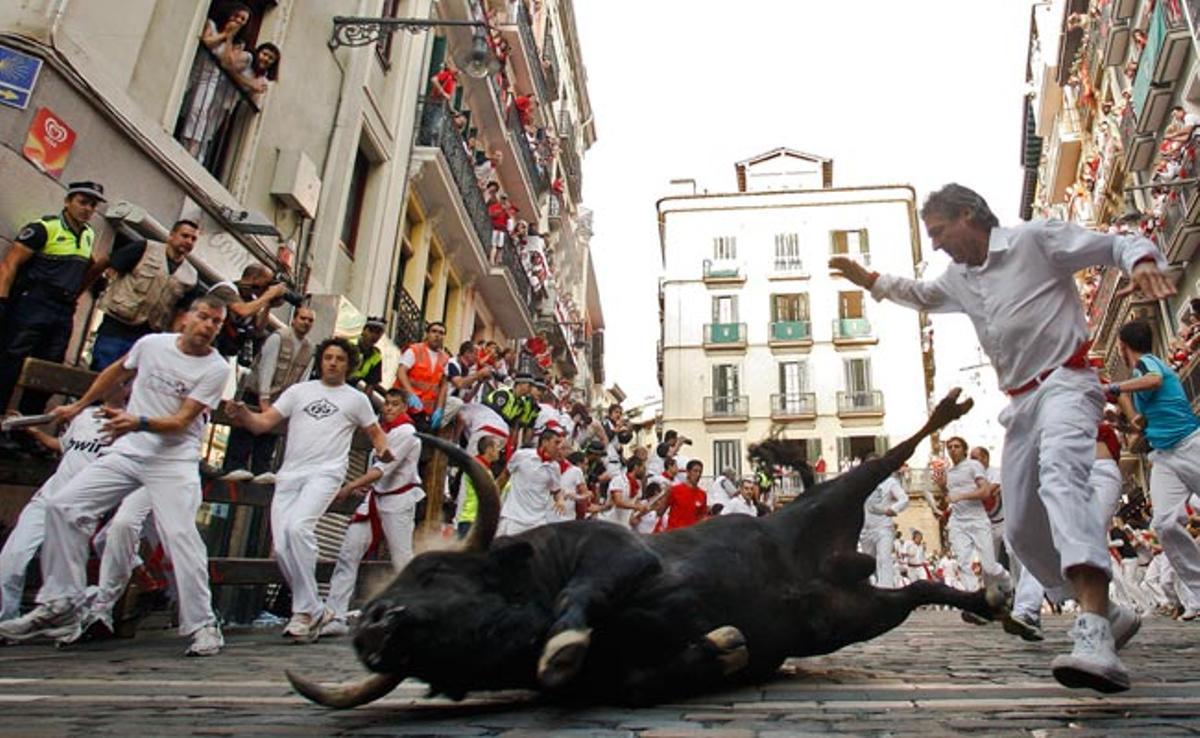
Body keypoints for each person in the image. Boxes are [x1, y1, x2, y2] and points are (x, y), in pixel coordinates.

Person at [831, 182, 1174, 691]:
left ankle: (1095, 632)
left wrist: (1141, 258)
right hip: (1020, 404)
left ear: (969, 214)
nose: (939, 245)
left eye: (941, 232)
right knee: (1023, 531)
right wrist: (871, 280)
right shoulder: (958, 278)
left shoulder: (1035, 240)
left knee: (1060, 477)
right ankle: (1108, 610)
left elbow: (1111, 243)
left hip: (1067, 382)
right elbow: (921, 295)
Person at [0, 295, 231, 656]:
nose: (207, 326)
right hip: (129, 450)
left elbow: (182, 421)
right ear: (187, 318)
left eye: (216, 323)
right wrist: (79, 405)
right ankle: (62, 602)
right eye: (203, 317)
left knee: (180, 536)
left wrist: (136, 421)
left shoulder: (215, 369)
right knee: (63, 507)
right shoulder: (152, 345)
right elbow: (118, 371)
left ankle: (203, 624)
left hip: (172, 459)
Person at [223, 337, 393, 643]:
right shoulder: (299, 392)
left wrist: (383, 450)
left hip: (326, 473)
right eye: (328, 357)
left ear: (348, 365)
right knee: (282, 545)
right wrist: (243, 415)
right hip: (290, 474)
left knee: (299, 528)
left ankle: (305, 612)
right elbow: (263, 423)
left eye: (339, 359)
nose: (332, 363)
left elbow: (375, 432)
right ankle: (314, 610)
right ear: (320, 360)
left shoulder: (356, 399)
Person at [0, 388, 121, 621]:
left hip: (83, 506)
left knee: (68, 574)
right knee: (12, 557)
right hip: (50, 496)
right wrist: (34, 431)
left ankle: (81, 615)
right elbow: (65, 446)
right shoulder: (85, 415)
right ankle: (5, 619)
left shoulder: (130, 427)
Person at [1110, 320, 1200, 617]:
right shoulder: (1137, 381)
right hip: (1165, 456)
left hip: (1189, 444)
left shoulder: (1150, 364)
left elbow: (1155, 381)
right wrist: (1122, 422)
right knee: (1163, 523)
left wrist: (1114, 386)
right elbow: (1142, 425)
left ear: (1123, 347)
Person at [322, 390, 423, 636]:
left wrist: (350, 486)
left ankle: (417, 614)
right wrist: (364, 487)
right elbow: (376, 473)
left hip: (398, 500)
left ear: (404, 408)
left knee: (402, 558)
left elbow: (382, 469)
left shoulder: (407, 433)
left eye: (395, 405)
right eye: (387, 404)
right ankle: (334, 614)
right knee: (349, 551)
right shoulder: (383, 432)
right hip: (376, 499)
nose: (389, 408)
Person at [0, 181, 105, 415]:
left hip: (63, 309)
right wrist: (3, 300)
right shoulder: (44, 228)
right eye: (83, 202)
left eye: (93, 205)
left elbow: (86, 269)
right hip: (33, 303)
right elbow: (10, 264)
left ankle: (24, 429)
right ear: (67, 201)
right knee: (11, 361)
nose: (88, 208)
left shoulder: (88, 234)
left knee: (48, 370)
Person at [220, 306, 315, 483]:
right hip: (255, 392)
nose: (306, 323)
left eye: (310, 320)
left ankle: (261, 468)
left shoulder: (309, 349)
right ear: (294, 319)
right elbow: (267, 367)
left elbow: (304, 378)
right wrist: (264, 398)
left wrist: (294, 403)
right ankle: (234, 466)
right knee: (244, 428)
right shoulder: (278, 337)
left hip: (281, 398)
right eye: (303, 318)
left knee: (270, 434)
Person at [90, 220, 200, 370]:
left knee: (130, 381)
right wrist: (84, 286)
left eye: (193, 239)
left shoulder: (191, 276)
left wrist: (172, 345)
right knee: (101, 370)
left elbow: (180, 314)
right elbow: (108, 261)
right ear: (171, 235)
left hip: (148, 335)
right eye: (185, 236)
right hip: (117, 325)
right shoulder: (144, 249)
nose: (188, 241)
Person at [179, 2, 253, 159]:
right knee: (182, 100)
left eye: (243, 20)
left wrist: (229, 39)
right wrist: (224, 34)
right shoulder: (211, 25)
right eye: (237, 16)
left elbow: (227, 62)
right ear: (230, 14)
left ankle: (191, 148)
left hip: (210, 79)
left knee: (200, 110)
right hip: (194, 69)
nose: (239, 21)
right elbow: (206, 41)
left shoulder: (237, 44)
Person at [496, 429, 563, 537]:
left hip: (537, 522)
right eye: (556, 442)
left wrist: (560, 500)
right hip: (513, 518)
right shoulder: (521, 455)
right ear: (545, 442)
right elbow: (503, 477)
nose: (559, 447)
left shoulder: (555, 467)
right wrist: (492, 498)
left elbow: (557, 491)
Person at [860, 456, 909, 588]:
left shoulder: (889, 482)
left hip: (884, 527)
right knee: (868, 562)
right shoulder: (860, 483)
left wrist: (893, 509)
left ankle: (886, 589)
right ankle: (869, 590)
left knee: (884, 557)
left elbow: (904, 499)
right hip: (865, 530)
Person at [393, 321, 450, 431]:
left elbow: (443, 385)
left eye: (441, 333)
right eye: (434, 331)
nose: (437, 335)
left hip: (423, 411)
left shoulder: (445, 359)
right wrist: (411, 394)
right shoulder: (414, 350)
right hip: (403, 403)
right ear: (427, 334)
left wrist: (439, 409)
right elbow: (401, 372)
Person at [456, 434, 503, 538]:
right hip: (469, 520)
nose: (499, 451)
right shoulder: (474, 468)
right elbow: (463, 494)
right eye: (497, 447)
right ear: (489, 449)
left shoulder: (485, 469)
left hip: (477, 520)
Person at [657, 459, 708, 531]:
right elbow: (660, 512)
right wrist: (666, 496)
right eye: (695, 471)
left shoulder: (702, 494)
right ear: (688, 472)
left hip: (692, 536)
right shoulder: (675, 490)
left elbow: (702, 517)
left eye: (700, 472)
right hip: (674, 534)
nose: (698, 474)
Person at [348, 317, 387, 402]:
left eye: (378, 333)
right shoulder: (348, 345)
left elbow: (370, 386)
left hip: (352, 389)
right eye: (371, 331)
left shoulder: (376, 357)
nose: (374, 336)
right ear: (363, 330)